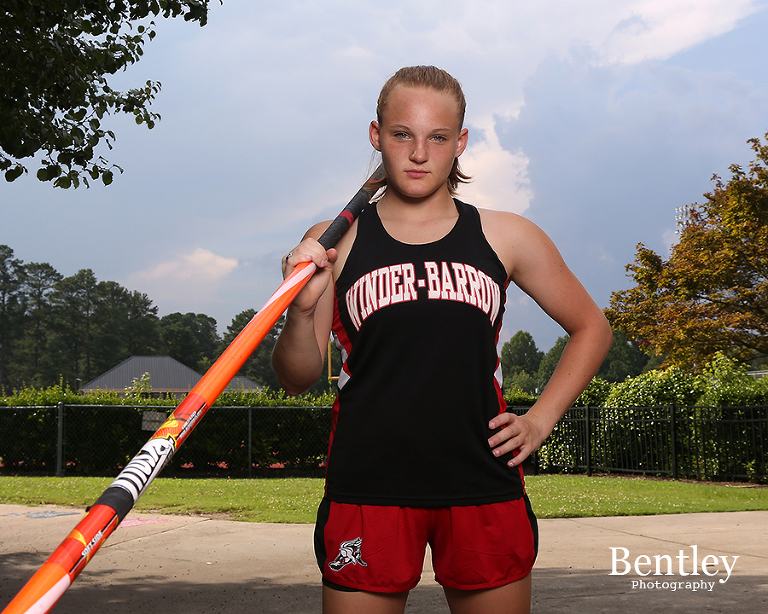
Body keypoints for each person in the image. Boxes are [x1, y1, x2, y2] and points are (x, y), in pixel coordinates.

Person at [271, 65, 613, 614]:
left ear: (461, 142)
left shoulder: (506, 235)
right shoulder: (331, 243)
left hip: (481, 481)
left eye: (437, 137)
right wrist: (300, 310)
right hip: (368, 484)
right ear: (376, 135)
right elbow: (296, 378)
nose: (419, 153)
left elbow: (592, 328)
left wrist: (540, 419)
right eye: (402, 134)